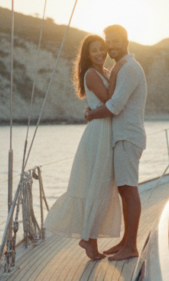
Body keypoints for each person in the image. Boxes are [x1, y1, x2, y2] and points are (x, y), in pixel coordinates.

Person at [43, 34, 123, 260]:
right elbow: (109, 99)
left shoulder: (105, 72)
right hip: (98, 134)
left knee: (102, 188)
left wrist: (113, 74)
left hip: (106, 131)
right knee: (95, 187)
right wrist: (118, 72)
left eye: (101, 49)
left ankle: (89, 239)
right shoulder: (91, 74)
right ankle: (88, 241)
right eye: (94, 50)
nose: (100, 53)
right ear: (87, 55)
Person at [84, 24, 147, 261]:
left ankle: (131, 246)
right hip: (122, 136)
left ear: (126, 41)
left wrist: (91, 115)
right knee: (124, 190)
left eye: (115, 41)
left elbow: (114, 105)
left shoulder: (128, 68)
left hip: (127, 136)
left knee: (129, 190)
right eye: (108, 41)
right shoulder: (121, 68)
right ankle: (125, 242)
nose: (110, 46)